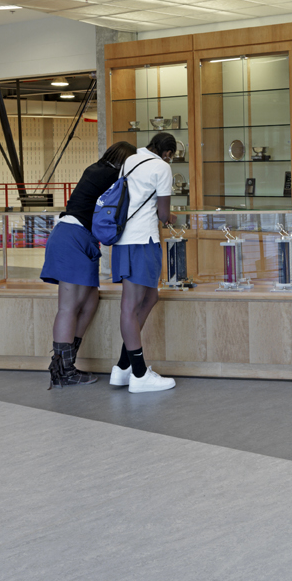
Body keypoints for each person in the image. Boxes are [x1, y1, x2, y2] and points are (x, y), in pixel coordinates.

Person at [39, 139, 136, 388]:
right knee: (68, 307)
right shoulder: (112, 175)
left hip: (79, 238)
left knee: (91, 299)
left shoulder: (95, 169)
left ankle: (67, 361)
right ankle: (62, 370)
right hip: (72, 236)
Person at [110, 132, 179, 394]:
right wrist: (173, 217)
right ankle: (139, 375)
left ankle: (123, 366)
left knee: (150, 298)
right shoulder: (162, 167)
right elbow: (162, 214)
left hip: (123, 241)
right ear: (168, 153)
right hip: (142, 240)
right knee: (130, 305)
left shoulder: (130, 160)